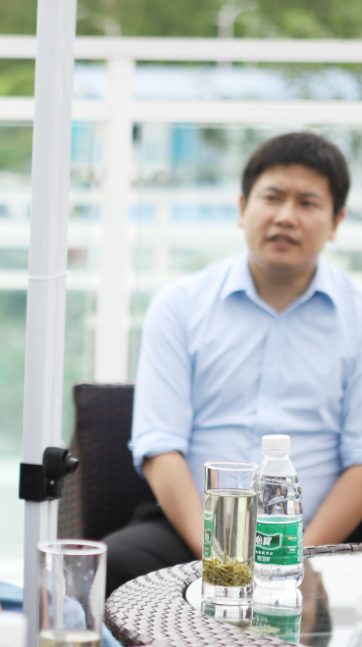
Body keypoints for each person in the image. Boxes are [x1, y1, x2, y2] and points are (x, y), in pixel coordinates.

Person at [104, 132, 362, 596]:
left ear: (336, 221)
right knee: (119, 563)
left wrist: (295, 560)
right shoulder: (180, 305)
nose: (286, 216)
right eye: (272, 197)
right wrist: (222, 558)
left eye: (307, 202)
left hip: (325, 533)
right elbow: (160, 445)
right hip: (194, 527)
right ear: (243, 207)